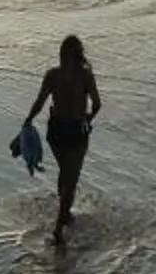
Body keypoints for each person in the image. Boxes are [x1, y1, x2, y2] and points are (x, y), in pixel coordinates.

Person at [23, 35, 102, 239]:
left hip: (56, 132)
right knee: (71, 179)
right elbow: (97, 104)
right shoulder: (85, 76)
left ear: (60, 55)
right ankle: (59, 226)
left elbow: (40, 102)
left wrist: (28, 120)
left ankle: (65, 215)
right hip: (76, 132)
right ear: (79, 55)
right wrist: (88, 118)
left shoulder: (52, 75)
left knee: (65, 172)